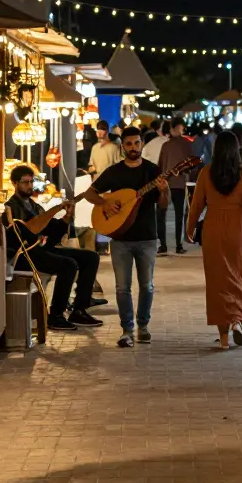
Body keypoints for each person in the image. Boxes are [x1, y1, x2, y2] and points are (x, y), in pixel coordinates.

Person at [78, 126, 169, 348]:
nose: (133, 147)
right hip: (120, 238)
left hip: (147, 236)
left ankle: (143, 326)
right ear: (123, 146)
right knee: (122, 287)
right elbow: (90, 193)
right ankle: (127, 330)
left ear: (141, 144)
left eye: (136, 143)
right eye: (128, 144)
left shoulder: (152, 171)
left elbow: (163, 206)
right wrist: (105, 202)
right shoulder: (114, 172)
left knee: (147, 285)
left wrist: (164, 190)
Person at [185, 131, 242, 349]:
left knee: (217, 281)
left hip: (213, 228)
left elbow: (196, 205)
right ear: (236, 149)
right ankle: (237, 322)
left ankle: (223, 339)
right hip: (238, 230)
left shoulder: (206, 173)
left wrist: (190, 227)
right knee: (240, 276)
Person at [2, 166, 102, 330]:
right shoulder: (11, 208)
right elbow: (29, 234)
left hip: (40, 250)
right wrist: (54, 212)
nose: (29, 186)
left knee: (90, 257)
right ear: (14, 183)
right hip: (24, 256)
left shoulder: (34, 206)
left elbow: (51, 238)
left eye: (31, 182)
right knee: (68, 264)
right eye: (25, 182)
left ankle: (79, 309)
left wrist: (66, 218)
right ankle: (55, 315)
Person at [156, 118, 195, 255]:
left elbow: (160, 166)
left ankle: (163, 245)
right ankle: (178, 245)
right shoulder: (187, 145)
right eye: (179, 128)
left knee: (162, 214)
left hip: (166, 183)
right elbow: (193, 164)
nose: (179, 130)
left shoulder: (166, 146)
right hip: (179, 184)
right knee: (179, 215)